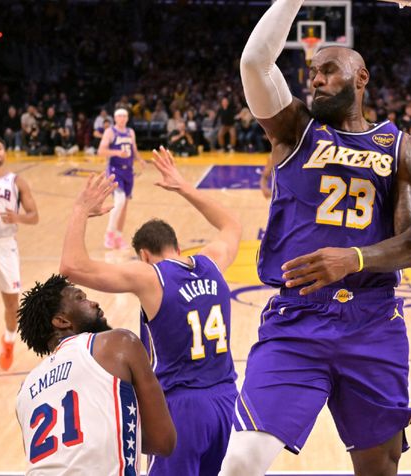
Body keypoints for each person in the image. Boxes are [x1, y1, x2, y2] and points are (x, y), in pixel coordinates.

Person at [219, 1, 411, 475]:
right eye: (312, 72)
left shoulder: (402, 147)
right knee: (241, 461)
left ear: (361, 78)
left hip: (373, 320)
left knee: (379, 467)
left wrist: (353, 258)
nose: (315, 79)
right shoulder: (294, 129)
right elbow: (255, 62)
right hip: (298, 319)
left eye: (329, 70)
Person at [59, 148, 242, 476]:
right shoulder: (212, 262)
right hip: (227, 402)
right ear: (178, 247)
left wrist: (80, 210)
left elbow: (71, 267)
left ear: (144, 255)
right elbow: (231, 225)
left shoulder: (151, 277)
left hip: (182, 409)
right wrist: (184, 187)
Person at [15, 274, 176, 474]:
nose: (94, 303)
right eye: (81, 298)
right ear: (61, 321)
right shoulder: (118, 344)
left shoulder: (25, 390)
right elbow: (163, 441)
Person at [0, 135, 39, 385]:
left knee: (12, 305)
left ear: (5, 153)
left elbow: (34, 216)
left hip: (7, 246)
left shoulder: (16, 181)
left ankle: (9, 341)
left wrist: (18, 218)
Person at [97, 108, 144, 249]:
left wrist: (140, 159)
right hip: (114, 170)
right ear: (115, 118)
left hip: (128, 171)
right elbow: (101, 151)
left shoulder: (130, 132)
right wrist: (117, 152)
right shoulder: (110, 132)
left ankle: (118, 236)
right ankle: (109, 234)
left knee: (124, 206)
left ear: (127, 118)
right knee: (120, 200)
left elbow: (134, 148)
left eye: (125, 116)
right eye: (120, 116)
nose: (122, 118)